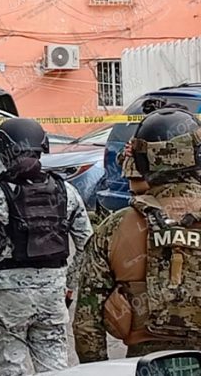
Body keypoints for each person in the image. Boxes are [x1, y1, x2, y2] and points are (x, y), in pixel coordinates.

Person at [0, 118, 93, 376]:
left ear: (5, 154)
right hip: (53, 296)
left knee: (10, 369)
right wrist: (69, 283)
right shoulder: (68, 192)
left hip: (5, 299)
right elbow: (88, 246)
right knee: (55, 370)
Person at [73, 107, 201, 363]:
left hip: (145, 364)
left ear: (143, 162)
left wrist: (97, 369)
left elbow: (87, 324)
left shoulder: (113, 228)